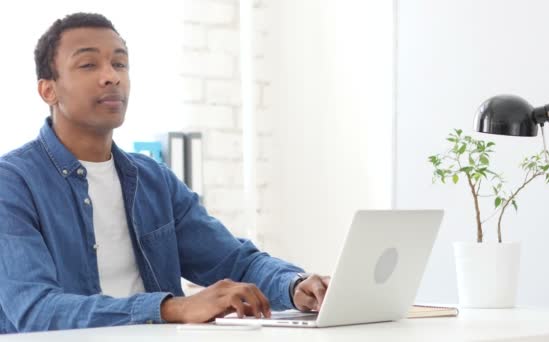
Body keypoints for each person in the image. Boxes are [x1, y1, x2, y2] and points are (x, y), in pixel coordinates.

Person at [0, 12, 329, 333]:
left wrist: (294, 285)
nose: (111, 76)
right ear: (48, 90)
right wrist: (172, 308)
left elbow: (235, 261)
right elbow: (35, 310)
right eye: (88, 64)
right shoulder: (13, 182)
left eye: (119, 63)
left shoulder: (153, 180)